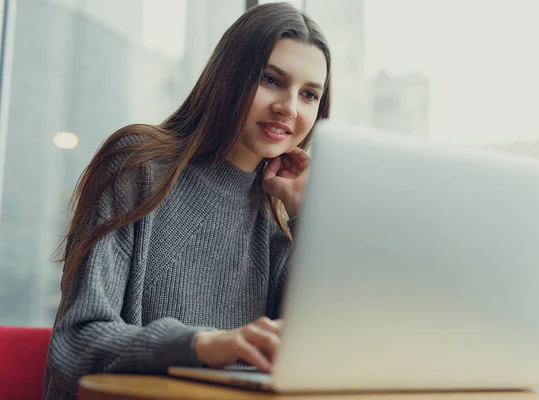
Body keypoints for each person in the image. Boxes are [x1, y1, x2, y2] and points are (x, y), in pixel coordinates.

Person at [43, 3, 331, 399]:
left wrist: (305, 217)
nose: (289, 107)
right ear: (229, 76)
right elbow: (75, 341)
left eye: (310, 94)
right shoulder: (139, 166)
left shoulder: (279, 216)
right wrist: (201, 345)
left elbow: (315, 355)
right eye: (270, 79)